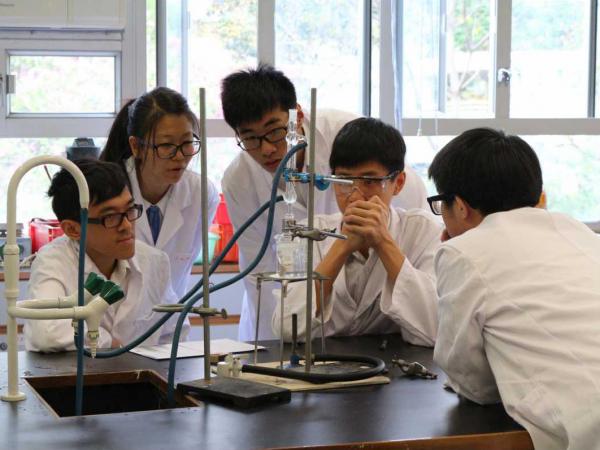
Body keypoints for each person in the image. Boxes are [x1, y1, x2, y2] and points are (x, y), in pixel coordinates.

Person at [221, 64, 430, 340]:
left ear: (297, 115)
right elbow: (258, 268)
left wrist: (381, 241)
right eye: (250, 138)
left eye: (274, 131)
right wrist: (277, 348)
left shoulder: (347, 136)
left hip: (387, 332)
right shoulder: (239, 179)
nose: (267, 149)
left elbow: (404, 217)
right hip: (308, 317)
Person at [428, 128, 600, 450]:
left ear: (461, 207)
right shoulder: (578, 232)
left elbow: (471, 382)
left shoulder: (464, 252)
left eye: (441, 205)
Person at [272, 118, 441, 345]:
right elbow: (285, 328)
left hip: (396, 370)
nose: (356, 194)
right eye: (343, 181)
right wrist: (341, 246)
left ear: (398, 182)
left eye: (370, 180)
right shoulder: (311, 233)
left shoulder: (423, 231)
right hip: (325, 369)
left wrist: (382, 241)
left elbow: (435, 329)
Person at [25, 159, 187, 352]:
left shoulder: (154, 260)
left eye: (129, 210)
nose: (127, 226)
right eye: (110, 217)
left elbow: (174, 332)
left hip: (142, 378)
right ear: (73, 229)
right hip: (70, 379)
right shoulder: (52, 261)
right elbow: (48, 332)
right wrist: (110, 344)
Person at [101, 87, 219, 300]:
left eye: (187, 143)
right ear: (136, 146)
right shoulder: (106, 191)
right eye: (166, 145)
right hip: (113, 323)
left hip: (170, 323)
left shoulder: (201, 193)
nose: (180, 156)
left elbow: (183, 266)